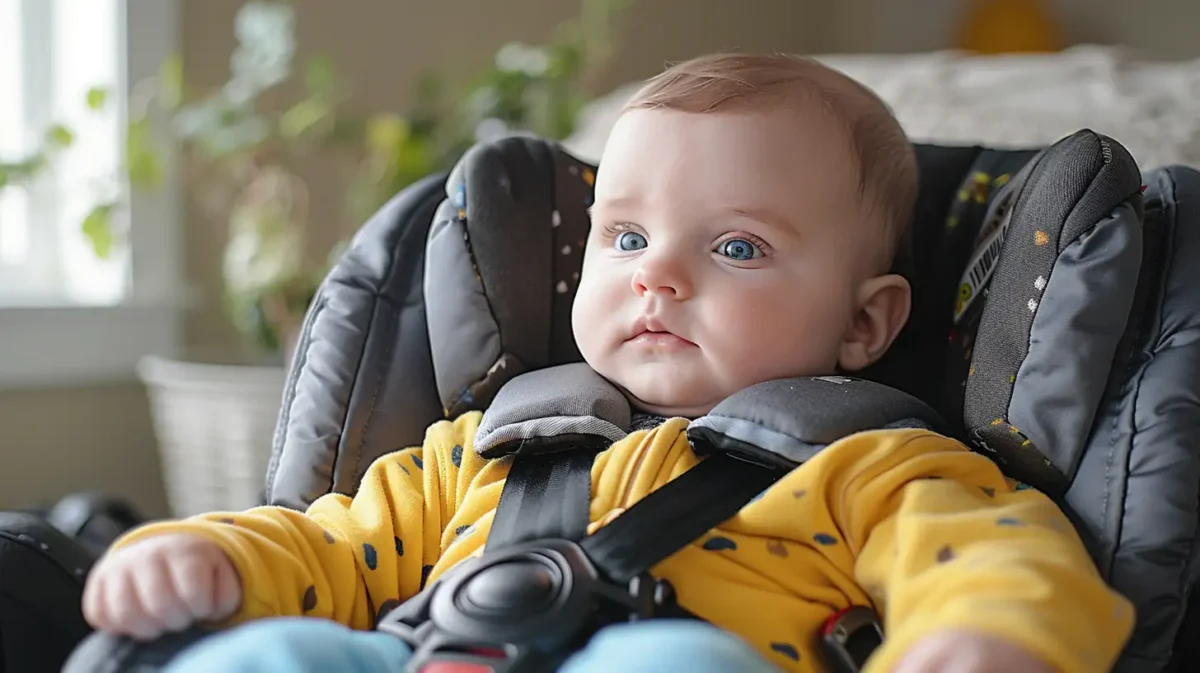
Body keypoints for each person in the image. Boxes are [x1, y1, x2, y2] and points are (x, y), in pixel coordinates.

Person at [81, 52, 1134, 673]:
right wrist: (211, 557)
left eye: (736, 247)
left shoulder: (878, 468)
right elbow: (327, 548)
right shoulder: (483, 450)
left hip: (679, 653)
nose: (657, 277)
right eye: (624, 237)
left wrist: (993, 637)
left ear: (866, 326)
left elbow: (1000, 558)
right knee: (275, 656)